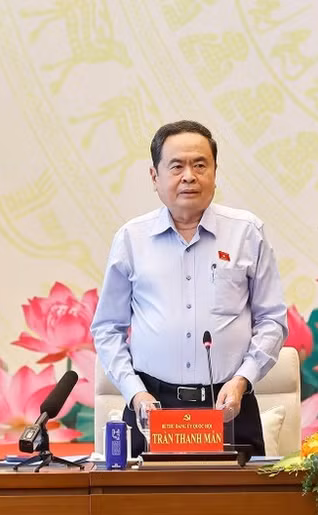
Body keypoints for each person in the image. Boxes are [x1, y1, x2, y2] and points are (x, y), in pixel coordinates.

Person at [91, 120, 288, 458]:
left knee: (240, 510)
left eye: (200, 165)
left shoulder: (246, 233)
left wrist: (243, 380)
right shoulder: (131, 239)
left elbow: (272, 320)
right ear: (155, 177)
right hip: (151, 410)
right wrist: (135, 393)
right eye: (177, 166)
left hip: (229, 406)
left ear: (215, 171)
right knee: (146, 511)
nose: (189, 176)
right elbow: (107, 328)